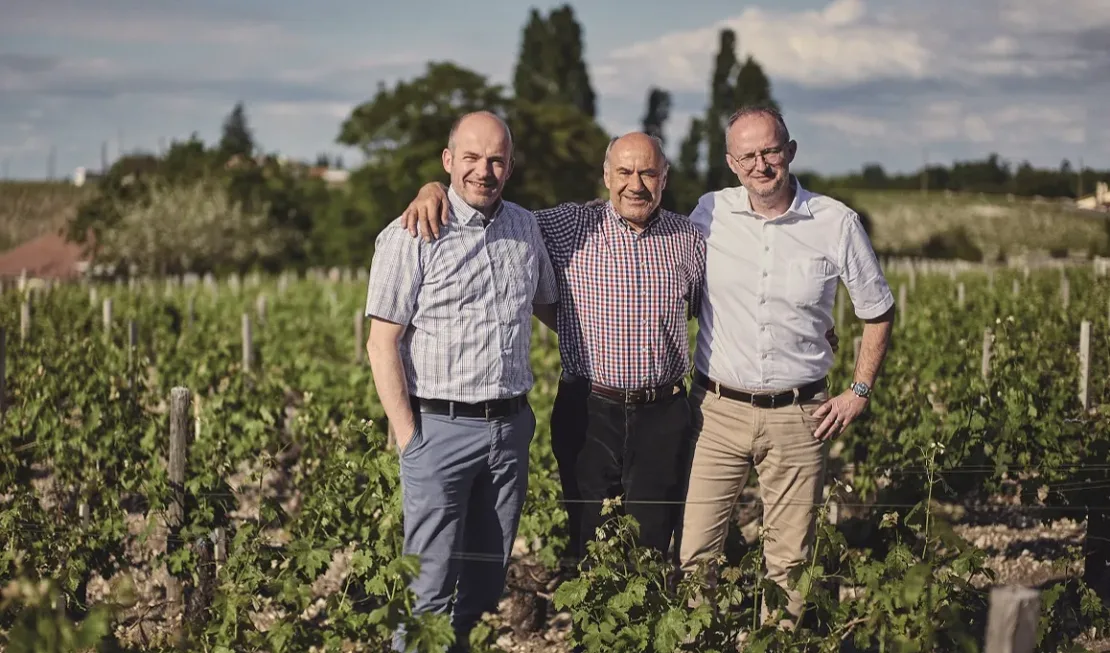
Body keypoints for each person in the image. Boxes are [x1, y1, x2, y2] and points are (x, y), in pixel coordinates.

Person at [399, 132, 706, 567]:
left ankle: (646, 609)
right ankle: (592, 613)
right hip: (589, 410)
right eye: (624, 172)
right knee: (588, 540)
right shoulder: (569, 225)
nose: (635, 184)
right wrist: (432, 189)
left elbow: (711, 314)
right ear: (606, 175)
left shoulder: (688, 238)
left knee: (652, 543)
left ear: (665, 177)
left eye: (648, 173)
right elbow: (491, 210)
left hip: (663, 413)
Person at [678, 103, 895, 628]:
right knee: (695, 555)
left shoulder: (835, 222)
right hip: (716, 411)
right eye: (747, 155)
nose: (760, 164)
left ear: (790, 151)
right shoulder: (709, 212)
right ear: (731, 163)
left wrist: (859, 391)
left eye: (770, 151)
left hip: (800, 416)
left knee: (790, 563)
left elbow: (878, 311)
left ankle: (778, 642)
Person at [364, 110, 558, 652]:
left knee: (484, 583)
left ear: (510, 167)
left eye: (496, 160)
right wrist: (410, 440)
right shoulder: (413, 233)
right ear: (448, 161)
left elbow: (548, 306)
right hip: (438, 430)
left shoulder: (525, 227)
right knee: (427, 588)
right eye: (471, 158)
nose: (483, 171)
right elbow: (381, 343)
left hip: (509, 430)